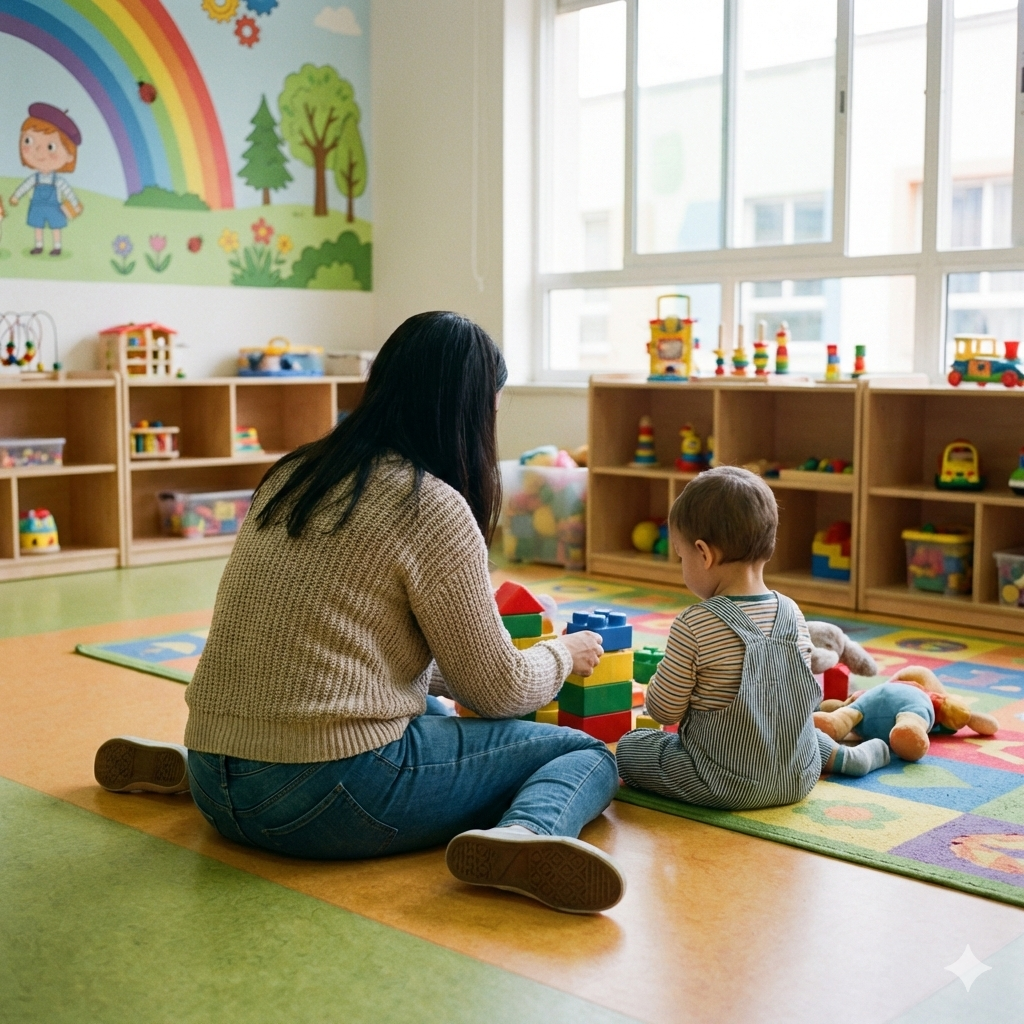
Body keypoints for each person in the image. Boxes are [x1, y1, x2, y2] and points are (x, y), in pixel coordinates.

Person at [94, 311, 624, 915]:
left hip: (217, 781)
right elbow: (499, 693)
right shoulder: (432, 506)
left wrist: (475, 662)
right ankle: (527, 834)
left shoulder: (295, 473)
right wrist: (561, 654)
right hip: (327, 799)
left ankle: (192, 768)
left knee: (425, 705)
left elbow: (358, 653)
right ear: (469, 412)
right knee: (583, 754)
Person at [616, 467, 889, 810]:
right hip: (797, 777)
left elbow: (663, 710)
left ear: (704, 554)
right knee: (797, 732)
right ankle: (847, 757)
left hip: (721, 783)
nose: (682, 564)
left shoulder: (694, 623)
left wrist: (660, 680)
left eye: (681, 556)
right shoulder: (792, 613)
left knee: (631, 747)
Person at [8, 103, 83, 257]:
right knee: (38, 226)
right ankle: (39, 246)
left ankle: (57, 246)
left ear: (69, 156)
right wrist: (16, 196)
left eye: (50, 147)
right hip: (37, 206)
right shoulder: (35, 178)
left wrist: (75, 204)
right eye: (28, 141)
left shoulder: (58, 181)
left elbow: (67, 191)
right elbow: (25, 186)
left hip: (54, 207)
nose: (38, 151)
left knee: (56, 227)